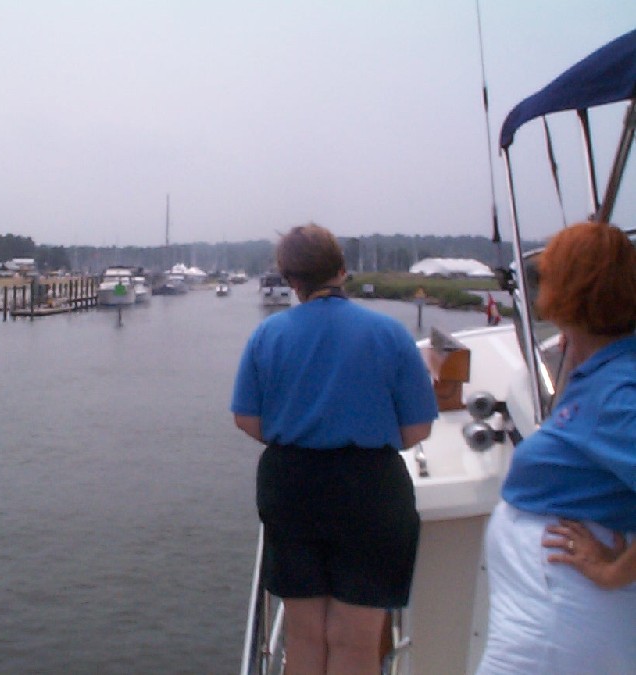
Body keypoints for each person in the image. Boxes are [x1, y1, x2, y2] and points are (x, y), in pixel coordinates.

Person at [230, 224, 438, 675]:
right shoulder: (390, 334)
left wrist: (296, 433)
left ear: (290, 279)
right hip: (371, 488)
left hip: (292, 484)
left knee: (304, 637)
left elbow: (246, 419)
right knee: (356, 642)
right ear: (341, 270)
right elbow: (418, 427)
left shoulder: (267, 336)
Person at [476, 221, 636, 675]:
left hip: (558, 619)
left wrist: (614, 571)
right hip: (549, 615)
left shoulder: (617, 393)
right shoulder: (606, 370)